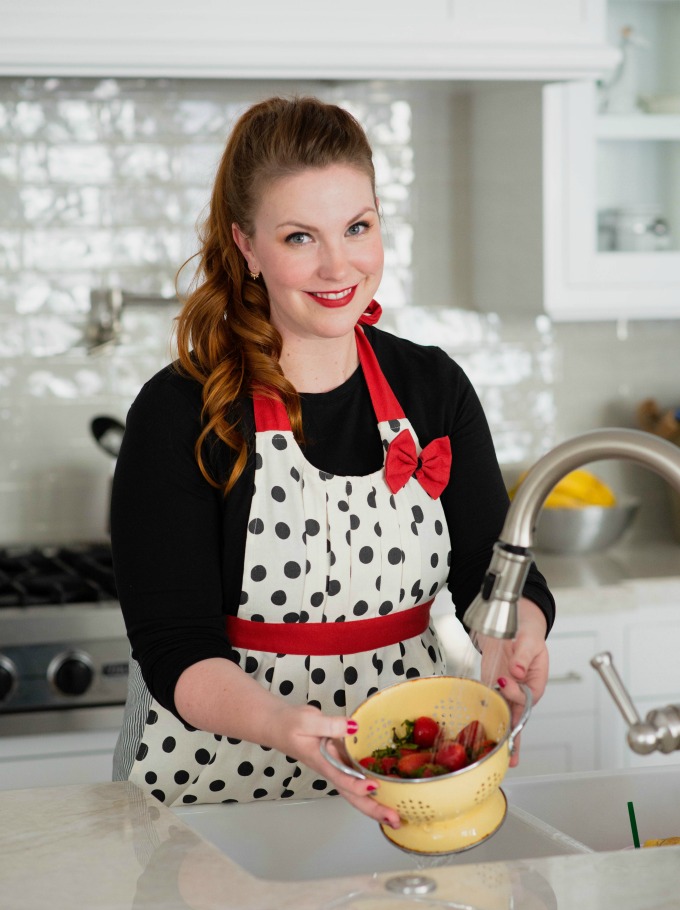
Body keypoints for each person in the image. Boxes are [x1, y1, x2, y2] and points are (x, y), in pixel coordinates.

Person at [111, 95, 555, 831]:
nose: (337, 264)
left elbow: (494, 568)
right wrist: (290, 726)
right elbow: (174, 646)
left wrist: (520, 632)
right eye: (298, 237)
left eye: (357, 227)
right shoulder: (180, 411)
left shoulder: (431, 387)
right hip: (218, 795)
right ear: (247, 246)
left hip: (407, 781)